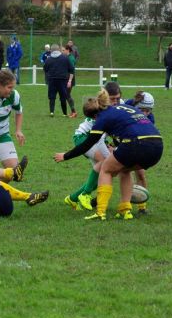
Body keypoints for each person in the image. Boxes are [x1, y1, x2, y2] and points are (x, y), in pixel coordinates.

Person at [54, 89, 163, 221]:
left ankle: (101, 212)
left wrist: (65, 156)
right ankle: (125, 210)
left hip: (135, 144)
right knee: (124, 170)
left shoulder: (102, 118)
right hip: (157, 147)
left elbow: (87, 144)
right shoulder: (125, 107)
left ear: (95, 115)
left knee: (105, 169)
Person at [63, 92, 111, 212]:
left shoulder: (99, 114)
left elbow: (102, 137)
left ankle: (74, 199)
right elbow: (99, 137)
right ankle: (85, 194)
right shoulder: (99, 118)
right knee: (105, 162)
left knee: (101, 174)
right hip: (82, 139)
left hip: (90, 141)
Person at [124, 91, 156, 215]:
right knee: (118, 172)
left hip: (139, 144)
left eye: (149, 110)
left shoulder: (150, 119)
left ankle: (142, 207)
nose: (146, 113)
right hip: (122, 141)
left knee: (141, 174)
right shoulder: (126, 106)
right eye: (143, 110)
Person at [43, 44, 74, 117]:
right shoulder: (65, 58)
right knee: (63, 96)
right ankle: (64, 113)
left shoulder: (49, 59)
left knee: (52, 96)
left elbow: (45, 69)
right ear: (59, 50)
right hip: (63, 80)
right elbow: (71, 69)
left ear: (51, 50)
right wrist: (69, 79)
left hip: (52, 80)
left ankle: (51, 112)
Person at [63, 45, 78, 118]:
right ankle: (73, 111)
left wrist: (69, 81)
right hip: (67, 79)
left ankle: (74, 112)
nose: (63, 52)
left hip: (70, 79)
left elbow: (72, 71)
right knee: (67, 95)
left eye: (63, 50)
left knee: (67, 95)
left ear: (68, 50)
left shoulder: (71, 58)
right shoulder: (67, 57)